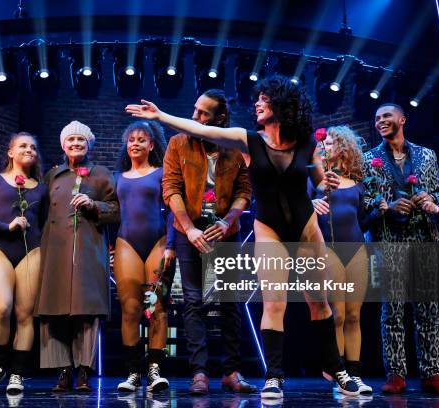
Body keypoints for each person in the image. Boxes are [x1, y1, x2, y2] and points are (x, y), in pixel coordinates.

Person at [126, 76, 360, 398]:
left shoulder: (307, 141)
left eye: (265, 99)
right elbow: (202, 131)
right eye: (258, 99)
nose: (258, 104)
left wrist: (326, 185)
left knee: (318, 303)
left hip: (306, 227)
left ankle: (340, 370)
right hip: (269, 228)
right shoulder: (247, 139)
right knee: (273, 302)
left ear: (281, 105)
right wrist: (161, 116)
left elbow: (319, 181)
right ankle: (274, 377)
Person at [130, 89, 256, 395]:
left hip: (227, 229)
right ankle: (199, 372)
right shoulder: (178, 143)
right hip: (191, 229)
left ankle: (231, 371)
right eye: (195, 110)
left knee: (230, 301)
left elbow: (244, 190)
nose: (195, 117)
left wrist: (228, 221)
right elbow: (171, 189)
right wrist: (188, 229)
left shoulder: (236, 147)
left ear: (220, 118)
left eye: (203, 114)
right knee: (193, 300)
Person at [363, 103, 439, 394]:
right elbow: (365, 202)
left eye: (386, 116)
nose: (381, 121)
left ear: (402, 119)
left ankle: (432, 372)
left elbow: (438, 195)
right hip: (390, 241)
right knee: (393, 310)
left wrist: (428, 198)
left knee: (428, 308)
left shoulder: (428, 155)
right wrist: (385, 208)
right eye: (377, 118)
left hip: (425, 237)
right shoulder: (368, 160)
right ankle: (396, 374)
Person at [37, 121, 119, 392]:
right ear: (63, 145)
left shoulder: (101, 174)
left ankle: (83, 371)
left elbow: (116, 210)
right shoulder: (53, 176)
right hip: (56, 252)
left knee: (86, 312)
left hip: (89, 249)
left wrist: (93, 204)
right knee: (56, 310)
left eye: (80, 141)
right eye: (70, 140)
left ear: (89, 145)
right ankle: (63, 370)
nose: (75, 144)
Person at [0, 132, 49, 393]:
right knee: (3, 307)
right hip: (1, 249)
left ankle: (17, 373)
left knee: (25, 314)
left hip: (32, 251)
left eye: (33, 146)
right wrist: (7, 226)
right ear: (10, 152)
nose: (29, 149)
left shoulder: (41, 187)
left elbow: (45, 222)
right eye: (23, 146)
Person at [113, 120, 175, 393]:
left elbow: (174, 211)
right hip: (126, 243)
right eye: (131, 140)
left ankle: (154, 370)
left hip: (158, 243)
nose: (135, 143)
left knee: (157, 308)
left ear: (151, 145)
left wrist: (172, 244)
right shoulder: (117, 178)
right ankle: (133, 372)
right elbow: (108, 214)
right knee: (130, 308)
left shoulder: (162, 173)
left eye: (141, 139)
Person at [309, 125, 372, 394]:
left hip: (356, 249)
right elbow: (301, 211)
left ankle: (356, 375)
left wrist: (380, 210)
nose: (327, 146)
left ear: (344, 148)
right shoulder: (315, 181)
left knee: (355, 315)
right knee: (338, 314)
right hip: (328, 249)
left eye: (333, 142)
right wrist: (311, 203)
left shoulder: (357, 184)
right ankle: (339, 372)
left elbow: (361, 220)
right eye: (325, 143)